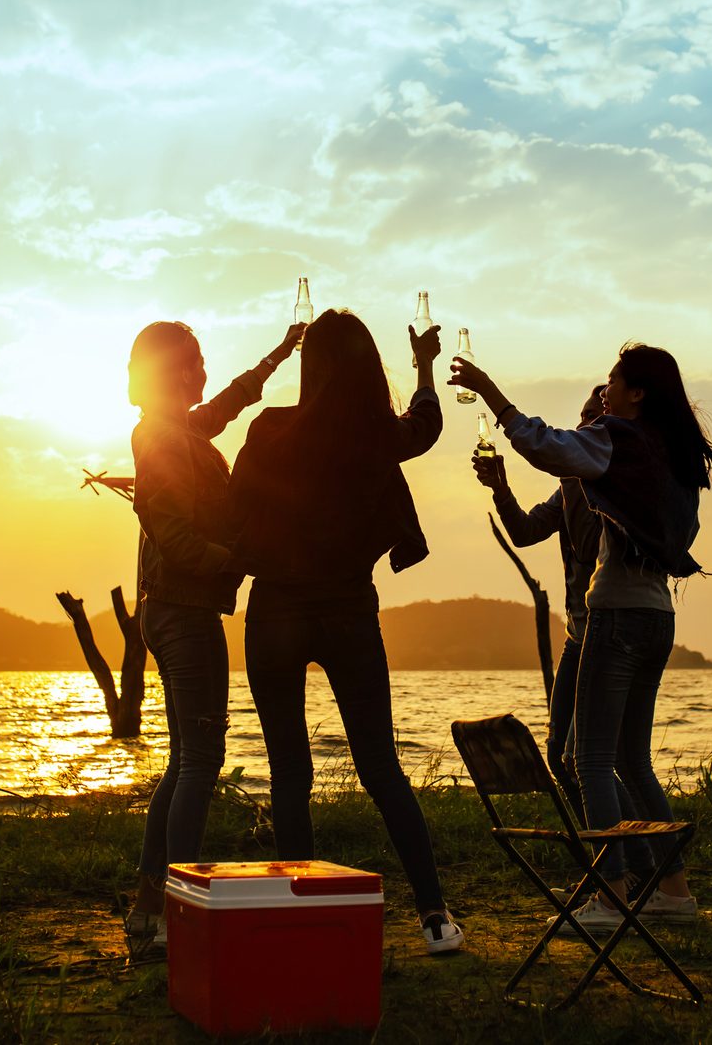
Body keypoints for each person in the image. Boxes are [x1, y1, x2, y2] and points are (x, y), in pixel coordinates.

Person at [450, 343, 712, 929]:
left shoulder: (619, 440)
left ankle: (614, 894)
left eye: (612, 383)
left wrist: (491, 390)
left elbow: (545, 444)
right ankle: (673, 890)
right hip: (657, 615)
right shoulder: (675, 457)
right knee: (631, 759)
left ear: (636, 394)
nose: (605, 394)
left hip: (615, 613)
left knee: (587, 757)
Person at [227, 310, 465, 955]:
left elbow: (233, 510)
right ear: (366, 368)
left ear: (311, 367)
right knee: (382, 768)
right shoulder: (375, 436)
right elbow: (428, 425)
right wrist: (421, 364)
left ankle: (299, 919)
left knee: (289, 774)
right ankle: (435, 916)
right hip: (350, 613)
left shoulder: (270, 428)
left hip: (275, 611)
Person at [124, 317, 303, 959]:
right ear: (168, 370)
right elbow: (173, 539)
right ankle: (176, 912)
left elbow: (232, 401)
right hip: (184, 608)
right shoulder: (164, 441)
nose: (201, 371)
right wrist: (241, 560)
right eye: (192, 360)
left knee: (185, 760)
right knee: (200, 763)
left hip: (180, 609)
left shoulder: (178, 430)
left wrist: (282, 352)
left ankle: (149, 906)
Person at [471, 385, 611, 812]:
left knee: (587, 759)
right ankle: (607, 847)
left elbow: (588, 548)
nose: (584, 425)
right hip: (577, 636)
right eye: (582, 417)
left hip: (607, 635)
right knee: (559, 755)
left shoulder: (607, 486)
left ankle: (627, 853)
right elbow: (525, 532)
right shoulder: (569, 485)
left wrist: (570, 474)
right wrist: (501, 488)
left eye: (594, 419)